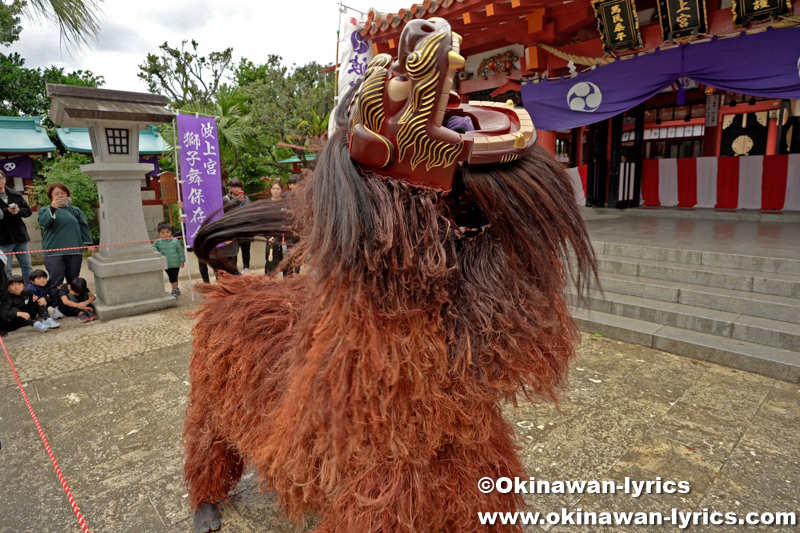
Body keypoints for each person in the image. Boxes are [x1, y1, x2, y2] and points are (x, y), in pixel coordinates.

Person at [183, 19, 596, 533]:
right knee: (235, 418)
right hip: (382, 315)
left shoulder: (482, 308)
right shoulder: (379, 261)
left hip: (445, 386)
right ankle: (206, 489)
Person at [38, 183, 93, 305]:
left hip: (74, 250)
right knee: (55, 281)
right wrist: (52, 208)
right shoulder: (44, 210)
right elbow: (44, 222)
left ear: (67, 194)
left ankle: (74, 305)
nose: (60, 195)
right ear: (51, 196)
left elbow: (84, 227)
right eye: (56, 193)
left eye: (63, 193)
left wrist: (89, 244)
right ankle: (57, 306)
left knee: (74, 280)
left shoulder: (75, 210)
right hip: (53, 252)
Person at [0, 169, 34, 282]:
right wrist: (7, 211)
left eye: (1, 178)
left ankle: (29, 290)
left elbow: (28, 211)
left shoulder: (15, 194)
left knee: (27, 266)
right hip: (3, 239)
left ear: (5, 180)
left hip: (20, 236)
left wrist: (18, 211)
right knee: (6, 268)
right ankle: (8, 293)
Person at [223, 178, 252, 273]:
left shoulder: (246, 199)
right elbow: (224, 212)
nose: (237, 189)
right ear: (230, 188)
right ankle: (234, 271)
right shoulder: (226, 199)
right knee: (233, 252)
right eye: (234, 187)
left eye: (238, 186)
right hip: (232, 230)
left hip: (245, 230)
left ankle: (246, 269)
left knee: (246, 250)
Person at [153, 222, 186, 297]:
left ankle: (174, 291)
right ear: (159, 234)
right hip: (166, 264)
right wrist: (156, 251)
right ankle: (176, 288)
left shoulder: (175, 241)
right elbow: (153, 247)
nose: (165, 234)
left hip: (175, 263)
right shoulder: (158, 242)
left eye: (167, 232)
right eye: (163, 233)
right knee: (171, 277)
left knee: (174, 276)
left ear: (171, 232)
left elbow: (180, 251)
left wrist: (182, 260)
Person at [264, 181, 287, 275]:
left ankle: (287, 284)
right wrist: (268, 236)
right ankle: (269, 284)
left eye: (278, 189)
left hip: (285, 237)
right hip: (272, 238)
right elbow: (263, 222)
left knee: (286, 263)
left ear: (282, 190)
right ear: (271, 190)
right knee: (271, 264)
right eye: (273, 188)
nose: (275, 191)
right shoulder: (266, 204)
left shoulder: (286, 203)